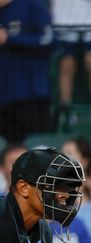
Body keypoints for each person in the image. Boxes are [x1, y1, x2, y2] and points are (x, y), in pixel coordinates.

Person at [0, 0, 53, 144]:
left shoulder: (32, 5)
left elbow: (48, 39)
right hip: (4, 98)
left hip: (31, 95)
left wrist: (10, 38)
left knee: (38, 150)